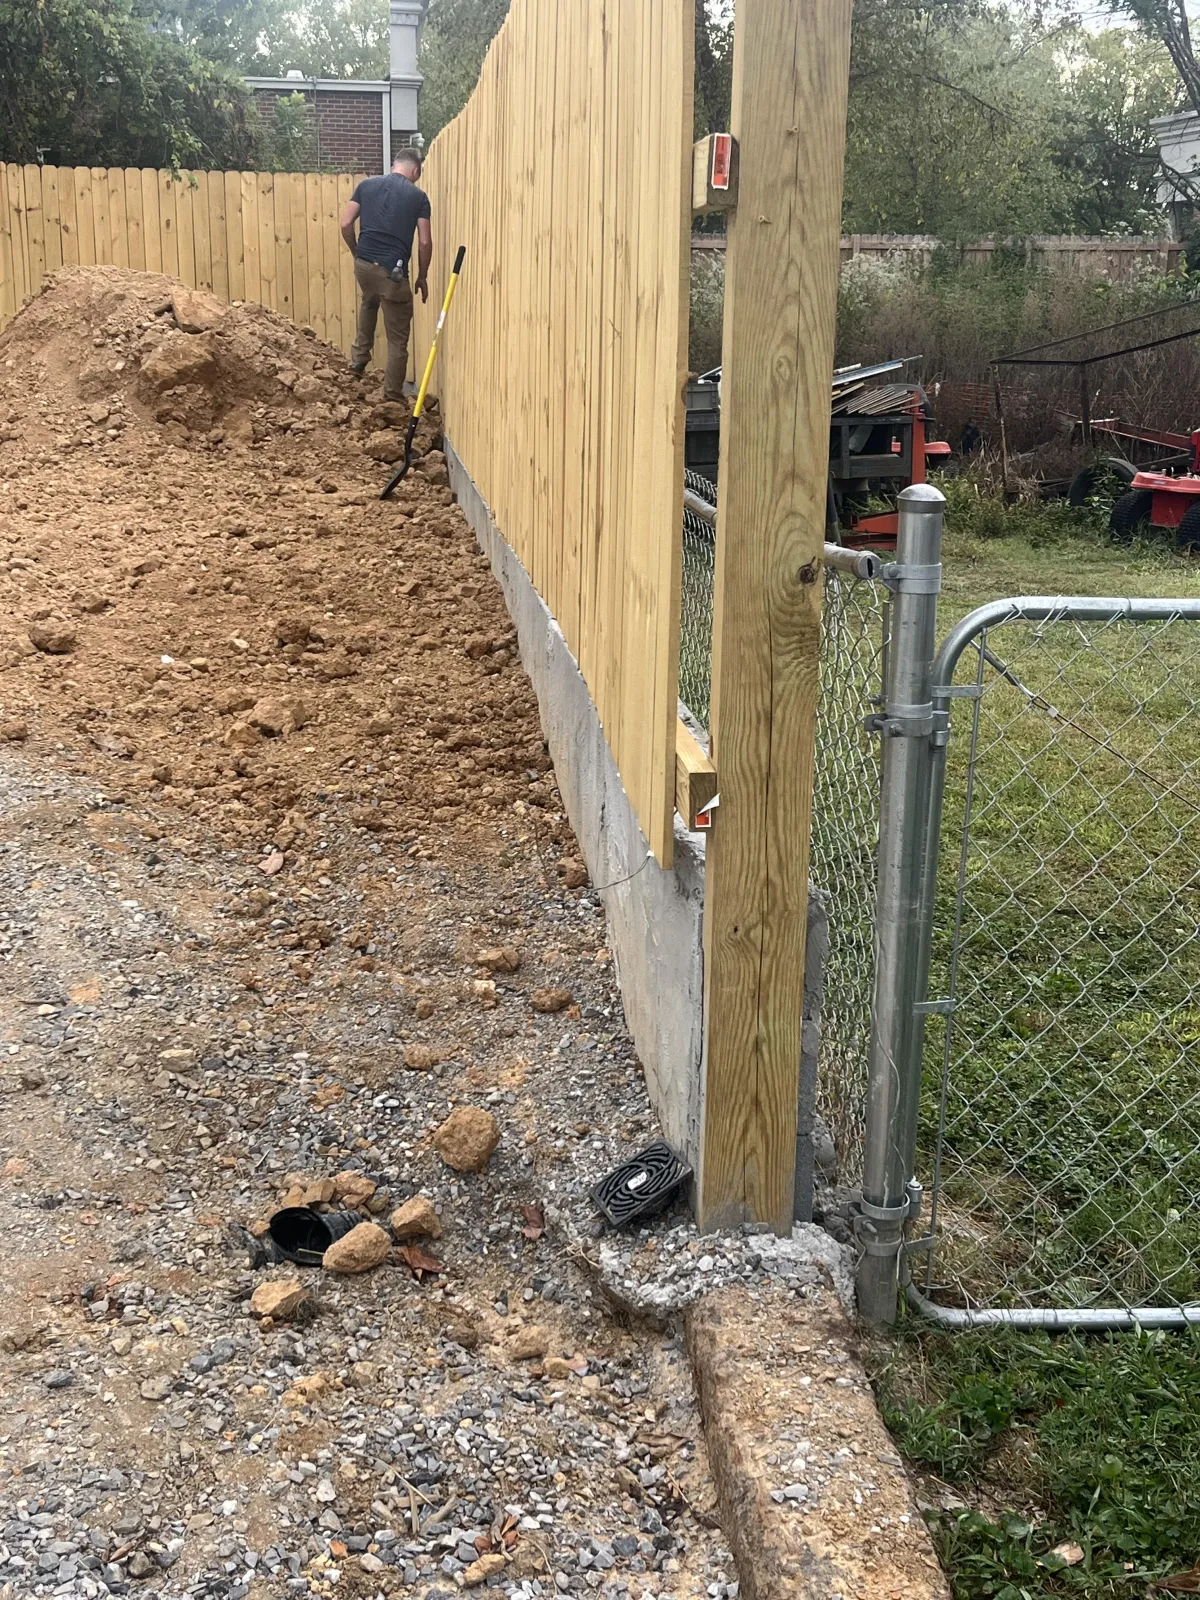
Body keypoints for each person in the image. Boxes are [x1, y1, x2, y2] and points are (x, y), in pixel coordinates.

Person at [340, 148, 433, 401]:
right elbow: (424, 242)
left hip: (364, 265)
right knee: (397, 337)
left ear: (394, 165)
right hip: (393, 273)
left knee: (369, 300)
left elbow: (346, 223)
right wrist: (422, 276)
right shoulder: (418, 197)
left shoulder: (366, 186)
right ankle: (392, 396)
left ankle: (358, 361)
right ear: (415, 171)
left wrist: (356, 252)